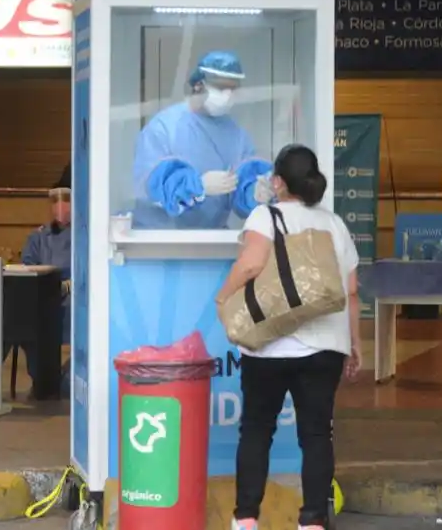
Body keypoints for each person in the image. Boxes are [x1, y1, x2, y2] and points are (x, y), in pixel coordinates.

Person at [215, 144, 361, 530]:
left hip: (270, 348)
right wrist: (356, 343)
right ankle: (313, 520)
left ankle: (246, 518)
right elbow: (352, 290)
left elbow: (251, 265)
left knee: (257, 430)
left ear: (278, 181)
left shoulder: (265, 215)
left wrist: (223, 296)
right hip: (326, 345)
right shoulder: (334, 223)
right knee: (316, 433)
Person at [132, 50, 274, 230]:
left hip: (212, 241)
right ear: (199, 85)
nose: (228, 95)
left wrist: (255, 193)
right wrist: (198, 186)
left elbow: (244, 180)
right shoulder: (164, 128)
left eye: (233, 89)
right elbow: (150, 186)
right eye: (221, 88)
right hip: (162, 240)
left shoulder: (236, 135)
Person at [16, 184, 72, 397]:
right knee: (24, 318)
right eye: (55, 201)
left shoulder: (84, 236)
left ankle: (65, 378)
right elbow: (27, 266)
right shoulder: (38, 236)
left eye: (65, 200)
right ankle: (42, 378)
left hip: (72, 297)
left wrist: (70, 285)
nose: (60, 206)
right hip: (42, 296)